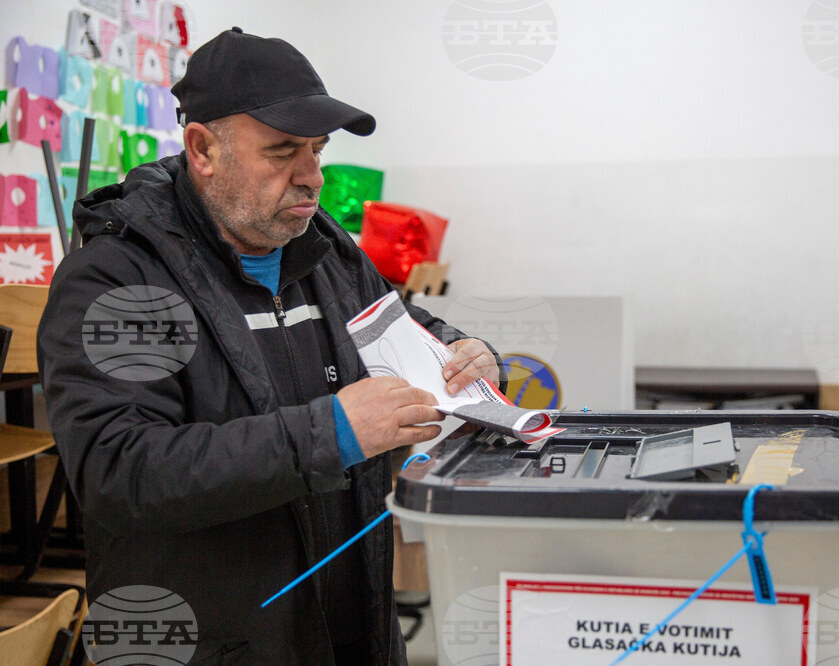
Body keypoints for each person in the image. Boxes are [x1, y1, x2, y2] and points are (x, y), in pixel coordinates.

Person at [38, 27, 504, 665]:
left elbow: (398, 323)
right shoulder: (120, 276)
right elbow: (120, 470)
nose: (311, 177)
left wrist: (462, 350)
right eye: (282, 151)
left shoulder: (324, 248)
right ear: (202, 148)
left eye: (316, 149)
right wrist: (331, 432)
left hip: (350, 627)